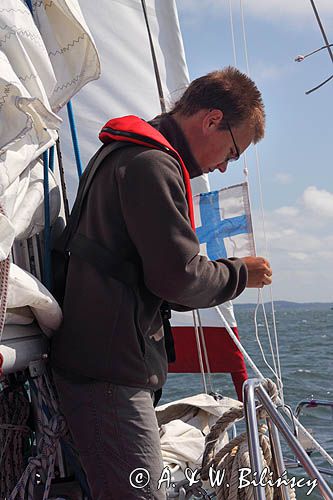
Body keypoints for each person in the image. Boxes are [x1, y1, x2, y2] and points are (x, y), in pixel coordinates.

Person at [51, 66, 272, 499]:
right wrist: (240, 273)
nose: (226, 167)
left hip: (97, 362)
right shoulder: (152, 164)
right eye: (233, 151)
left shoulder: (130, 154)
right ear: (211, 120)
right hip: (109, 373)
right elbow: (179, 279)